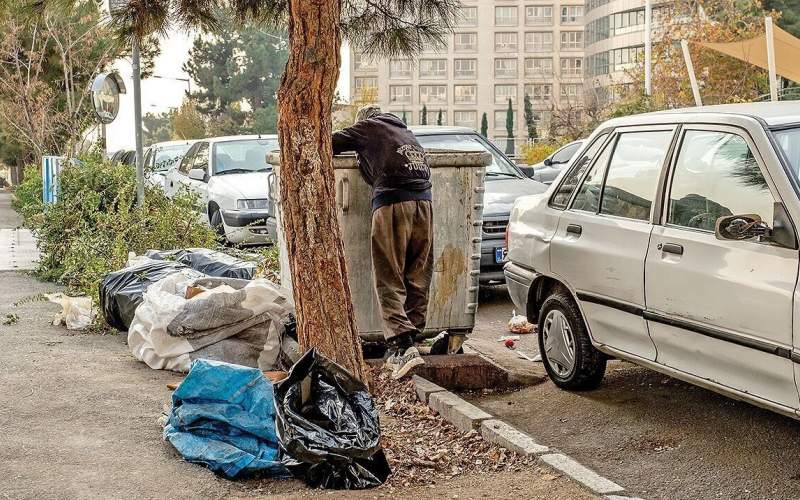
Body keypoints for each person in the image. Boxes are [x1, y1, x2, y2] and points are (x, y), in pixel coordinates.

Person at [332, 105, 433, 379]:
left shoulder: (368, 127)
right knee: (417, 273)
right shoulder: (405, 132)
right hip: (424, 204)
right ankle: (414, 338)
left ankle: (401, 345)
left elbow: (328, 142)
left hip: (392, 202)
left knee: (388, 274)